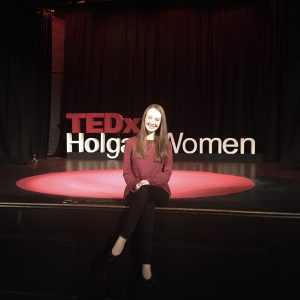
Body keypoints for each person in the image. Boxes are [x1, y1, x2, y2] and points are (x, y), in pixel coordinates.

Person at [107, 103, 173, 285]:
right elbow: (127, 172)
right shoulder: (131, 143)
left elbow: (167, 173)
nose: (152, 122)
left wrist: (149, 182)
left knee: (148, 194)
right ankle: (146, 263)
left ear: (161, 123)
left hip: (159, 190)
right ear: (144, 119)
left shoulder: (165, 144)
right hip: (136, 190)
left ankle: (122, 237)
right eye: (150, 118)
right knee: (147, 206)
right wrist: (137, 184)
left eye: (156, 119)